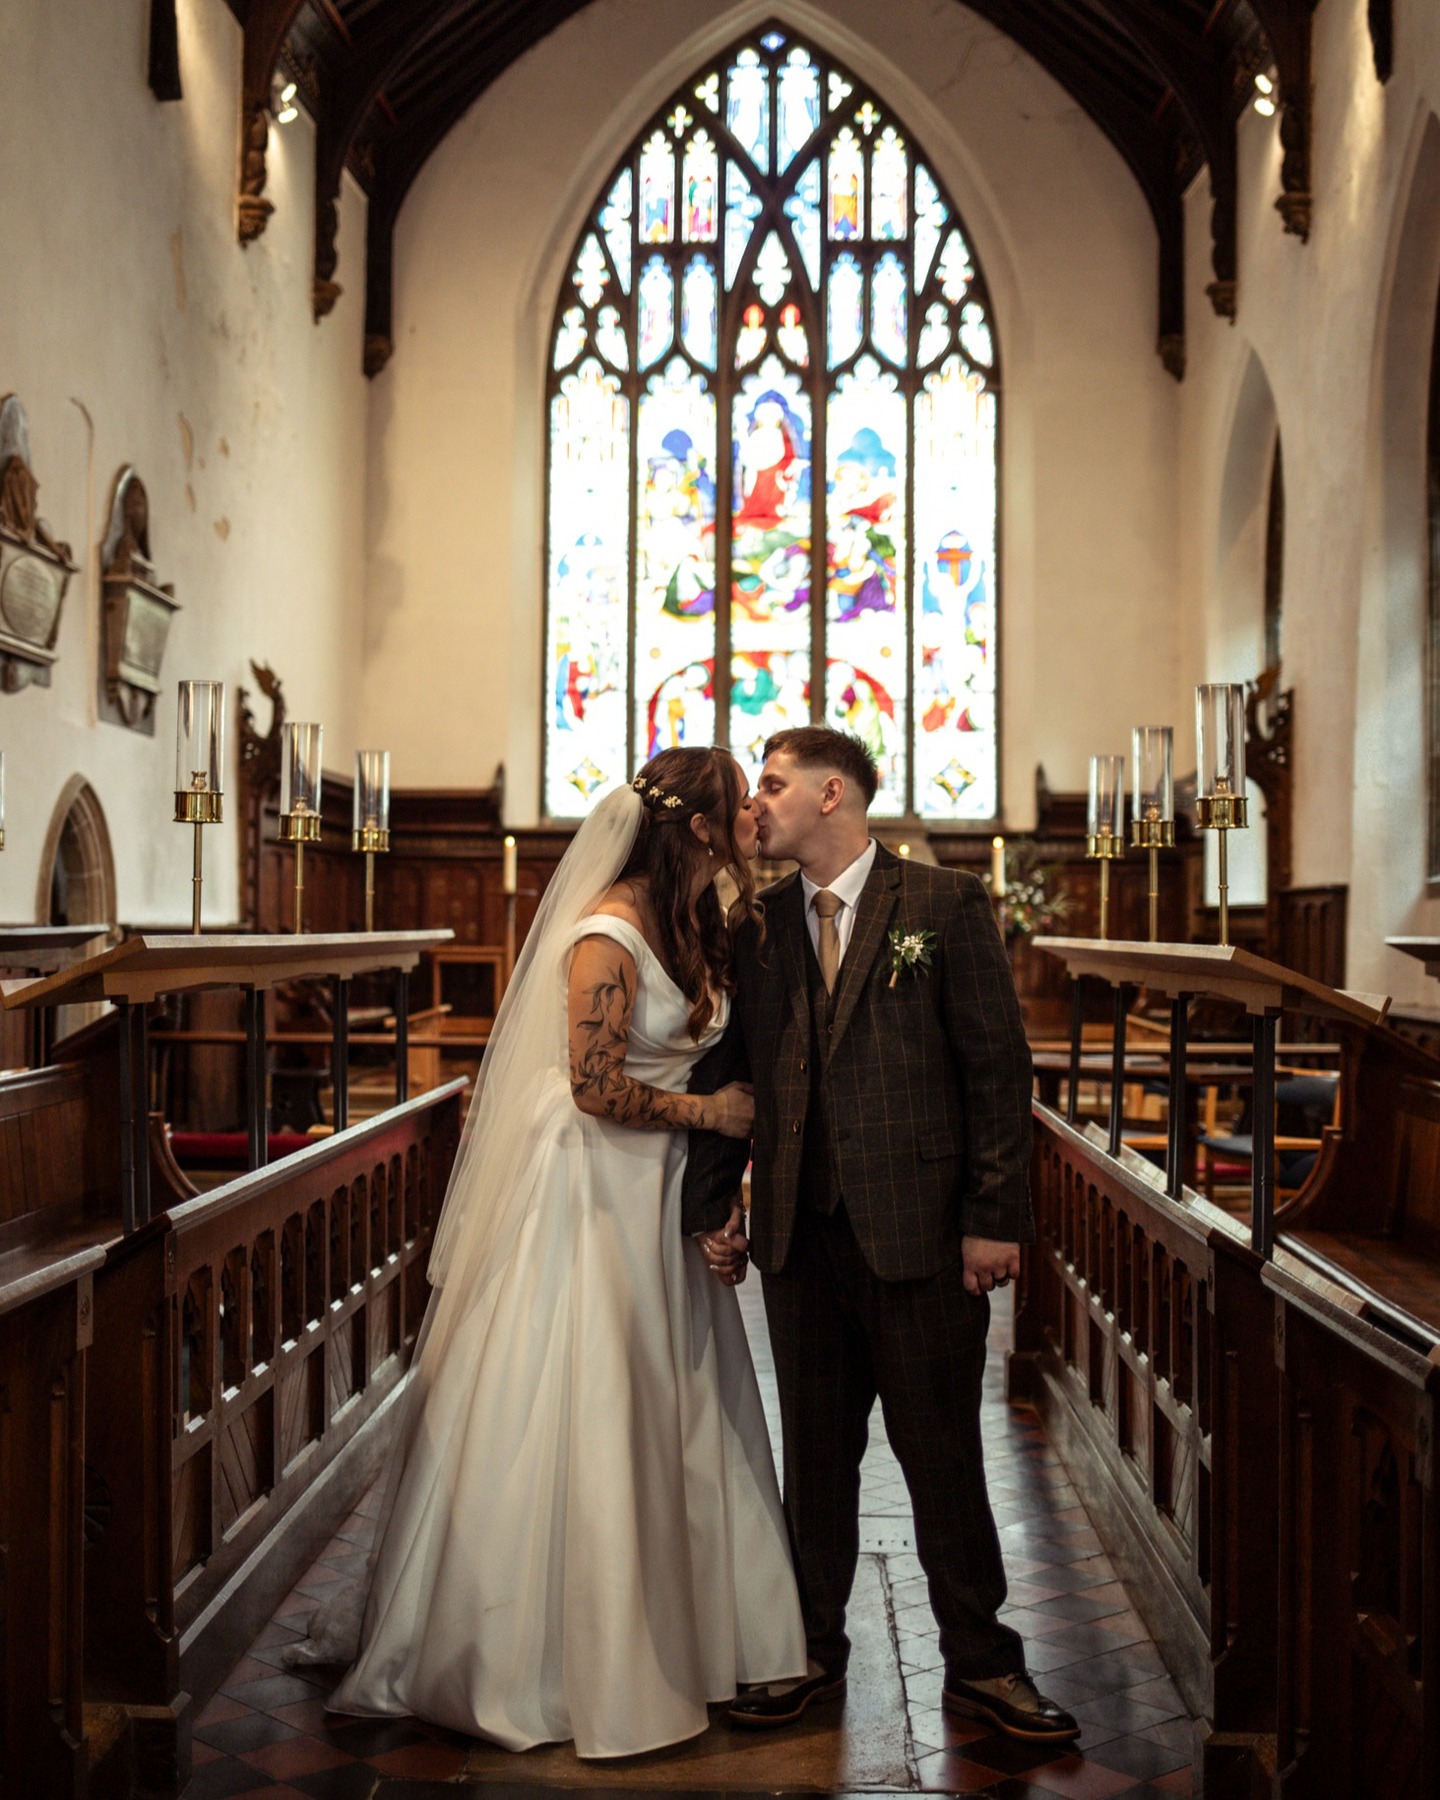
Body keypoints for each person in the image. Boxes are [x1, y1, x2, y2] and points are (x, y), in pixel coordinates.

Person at [324, 745, 807, 1757]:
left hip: (661, 1183)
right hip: (591, 1184)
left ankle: (689, 1640)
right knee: (593, 1398)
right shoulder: (608, 933)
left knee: (677, 1403)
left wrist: (717, 1185)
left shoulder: (700, 922)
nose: (756, 819)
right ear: (702, 830)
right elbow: (595, 1089)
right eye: (740, 806)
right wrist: (712, 1115)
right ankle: (554, 1661)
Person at [683, 725, 1080, 1744]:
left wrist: (995, 1222)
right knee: (813, 1462)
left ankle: (984, 1664)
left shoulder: (941, 907)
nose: (754, 804)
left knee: (940, 1451)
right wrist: (716, 1208)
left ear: (831, 796)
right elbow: (736, 1076)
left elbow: (998, 1074)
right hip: (800, 1243)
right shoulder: (760, 922)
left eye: (770, 785)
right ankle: (811, 1651)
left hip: (920, 1236)